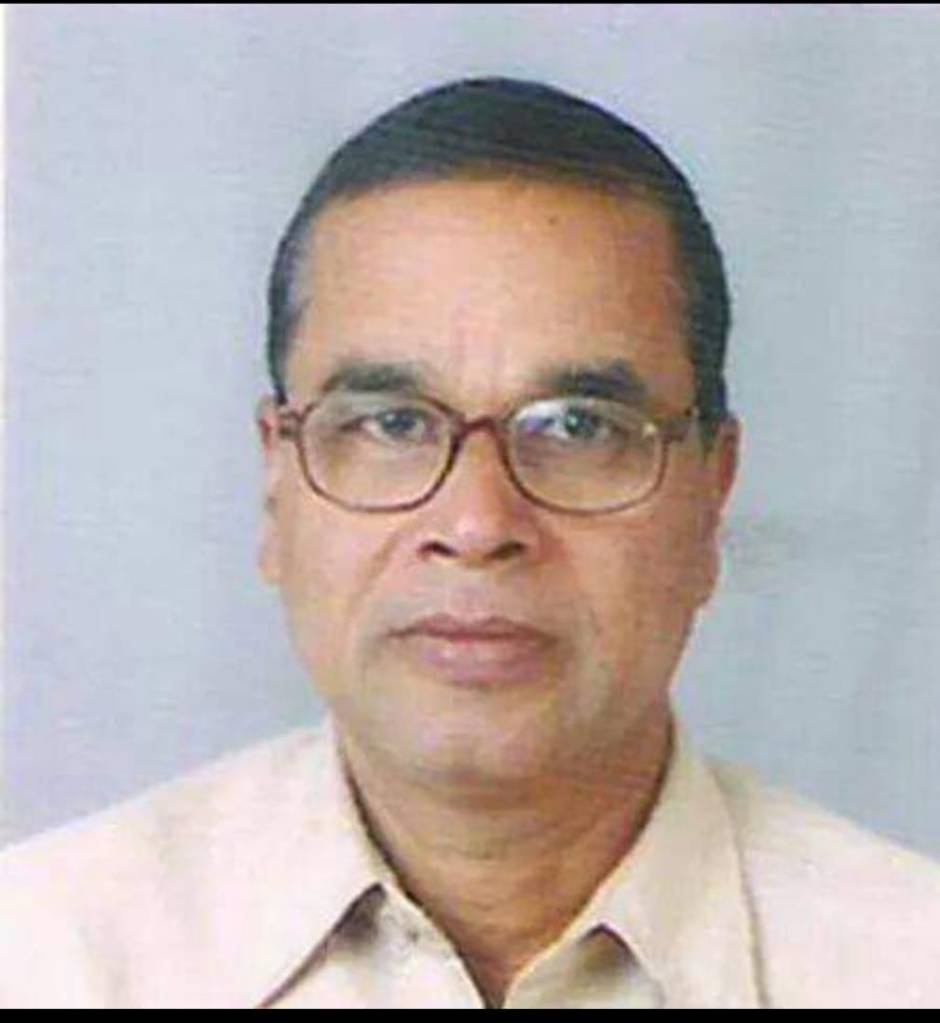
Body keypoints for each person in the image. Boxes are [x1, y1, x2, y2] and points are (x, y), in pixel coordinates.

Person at [2, 77, 938, 1009]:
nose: (478, 524)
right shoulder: (46, 954)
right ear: (277, 485)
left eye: (578, 426)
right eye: (391, 423)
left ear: (711, 493)